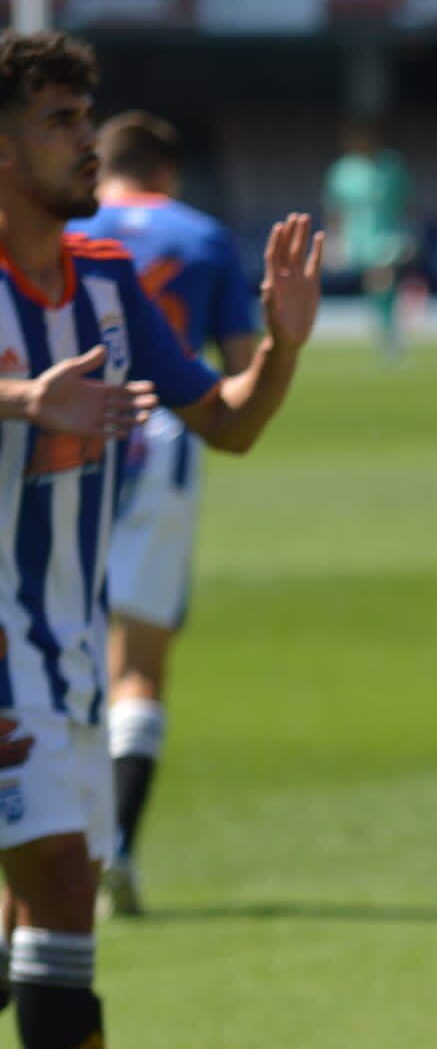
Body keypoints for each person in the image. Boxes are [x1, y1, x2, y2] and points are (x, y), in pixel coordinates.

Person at [0, 30, 322, 1049]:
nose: (87, 142)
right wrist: (21, 398)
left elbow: (228, 422)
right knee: (53, 882)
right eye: (59, 123)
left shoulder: (104, 280)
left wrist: (282, 343)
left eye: (87, 119)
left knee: (54, 898)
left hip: (59, 647)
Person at [66, 112, 262, 919]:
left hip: (63, 437)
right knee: (137, 664)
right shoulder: (205, 236)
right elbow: (242, 375)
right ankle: (118, 848)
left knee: (47, 649)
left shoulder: (66, 228)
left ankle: (44, 845)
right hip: (163, 440)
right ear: (169, 173)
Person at [321, 122, 412, 361]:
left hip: (386, 234)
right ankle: (386, 328)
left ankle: (388, 333)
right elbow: (335, 209)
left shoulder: (391, 165)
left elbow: (405, 201)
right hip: (357, 237)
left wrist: (409, 233)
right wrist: (335, 240)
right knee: (377, 285)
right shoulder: (342, 171)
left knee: (381, 278)